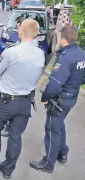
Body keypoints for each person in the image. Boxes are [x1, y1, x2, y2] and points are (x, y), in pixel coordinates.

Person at [0, 19, 45, 178]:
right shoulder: (40, 54)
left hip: (6, 102)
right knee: (15, 136)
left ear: (21, 31)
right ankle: (7, 169)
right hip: (25, 102)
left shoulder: (12, 52)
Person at [30, 26, 85, 173]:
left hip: (59, 100)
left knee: (52, 129)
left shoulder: (66, 57)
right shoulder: (82, 54)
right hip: (71, 97)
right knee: (59, 125)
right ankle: (62, 152)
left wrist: (44, 98)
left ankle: (48, 163)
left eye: (59, 37)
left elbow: (54, 83)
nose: (58, 40)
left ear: (64, 39)